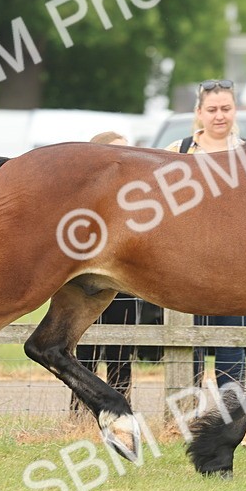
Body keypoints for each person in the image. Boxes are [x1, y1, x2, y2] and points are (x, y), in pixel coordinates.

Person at [165, 80, 246, 388]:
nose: (219, 116)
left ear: (235, 110)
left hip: (236, 263)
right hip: (188, 261)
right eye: (212, 109)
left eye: (226, 108)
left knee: (231, 340)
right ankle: (188, 405)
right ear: (199, 113)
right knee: (189, 339)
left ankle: (232, 409)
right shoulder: (178, 151)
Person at [71, 131, 137, 412]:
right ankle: (80, 412)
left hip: (123, 280)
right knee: (83, 350)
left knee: (121, 352)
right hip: (87, 278)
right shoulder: (83, 199)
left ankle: (121, 409)